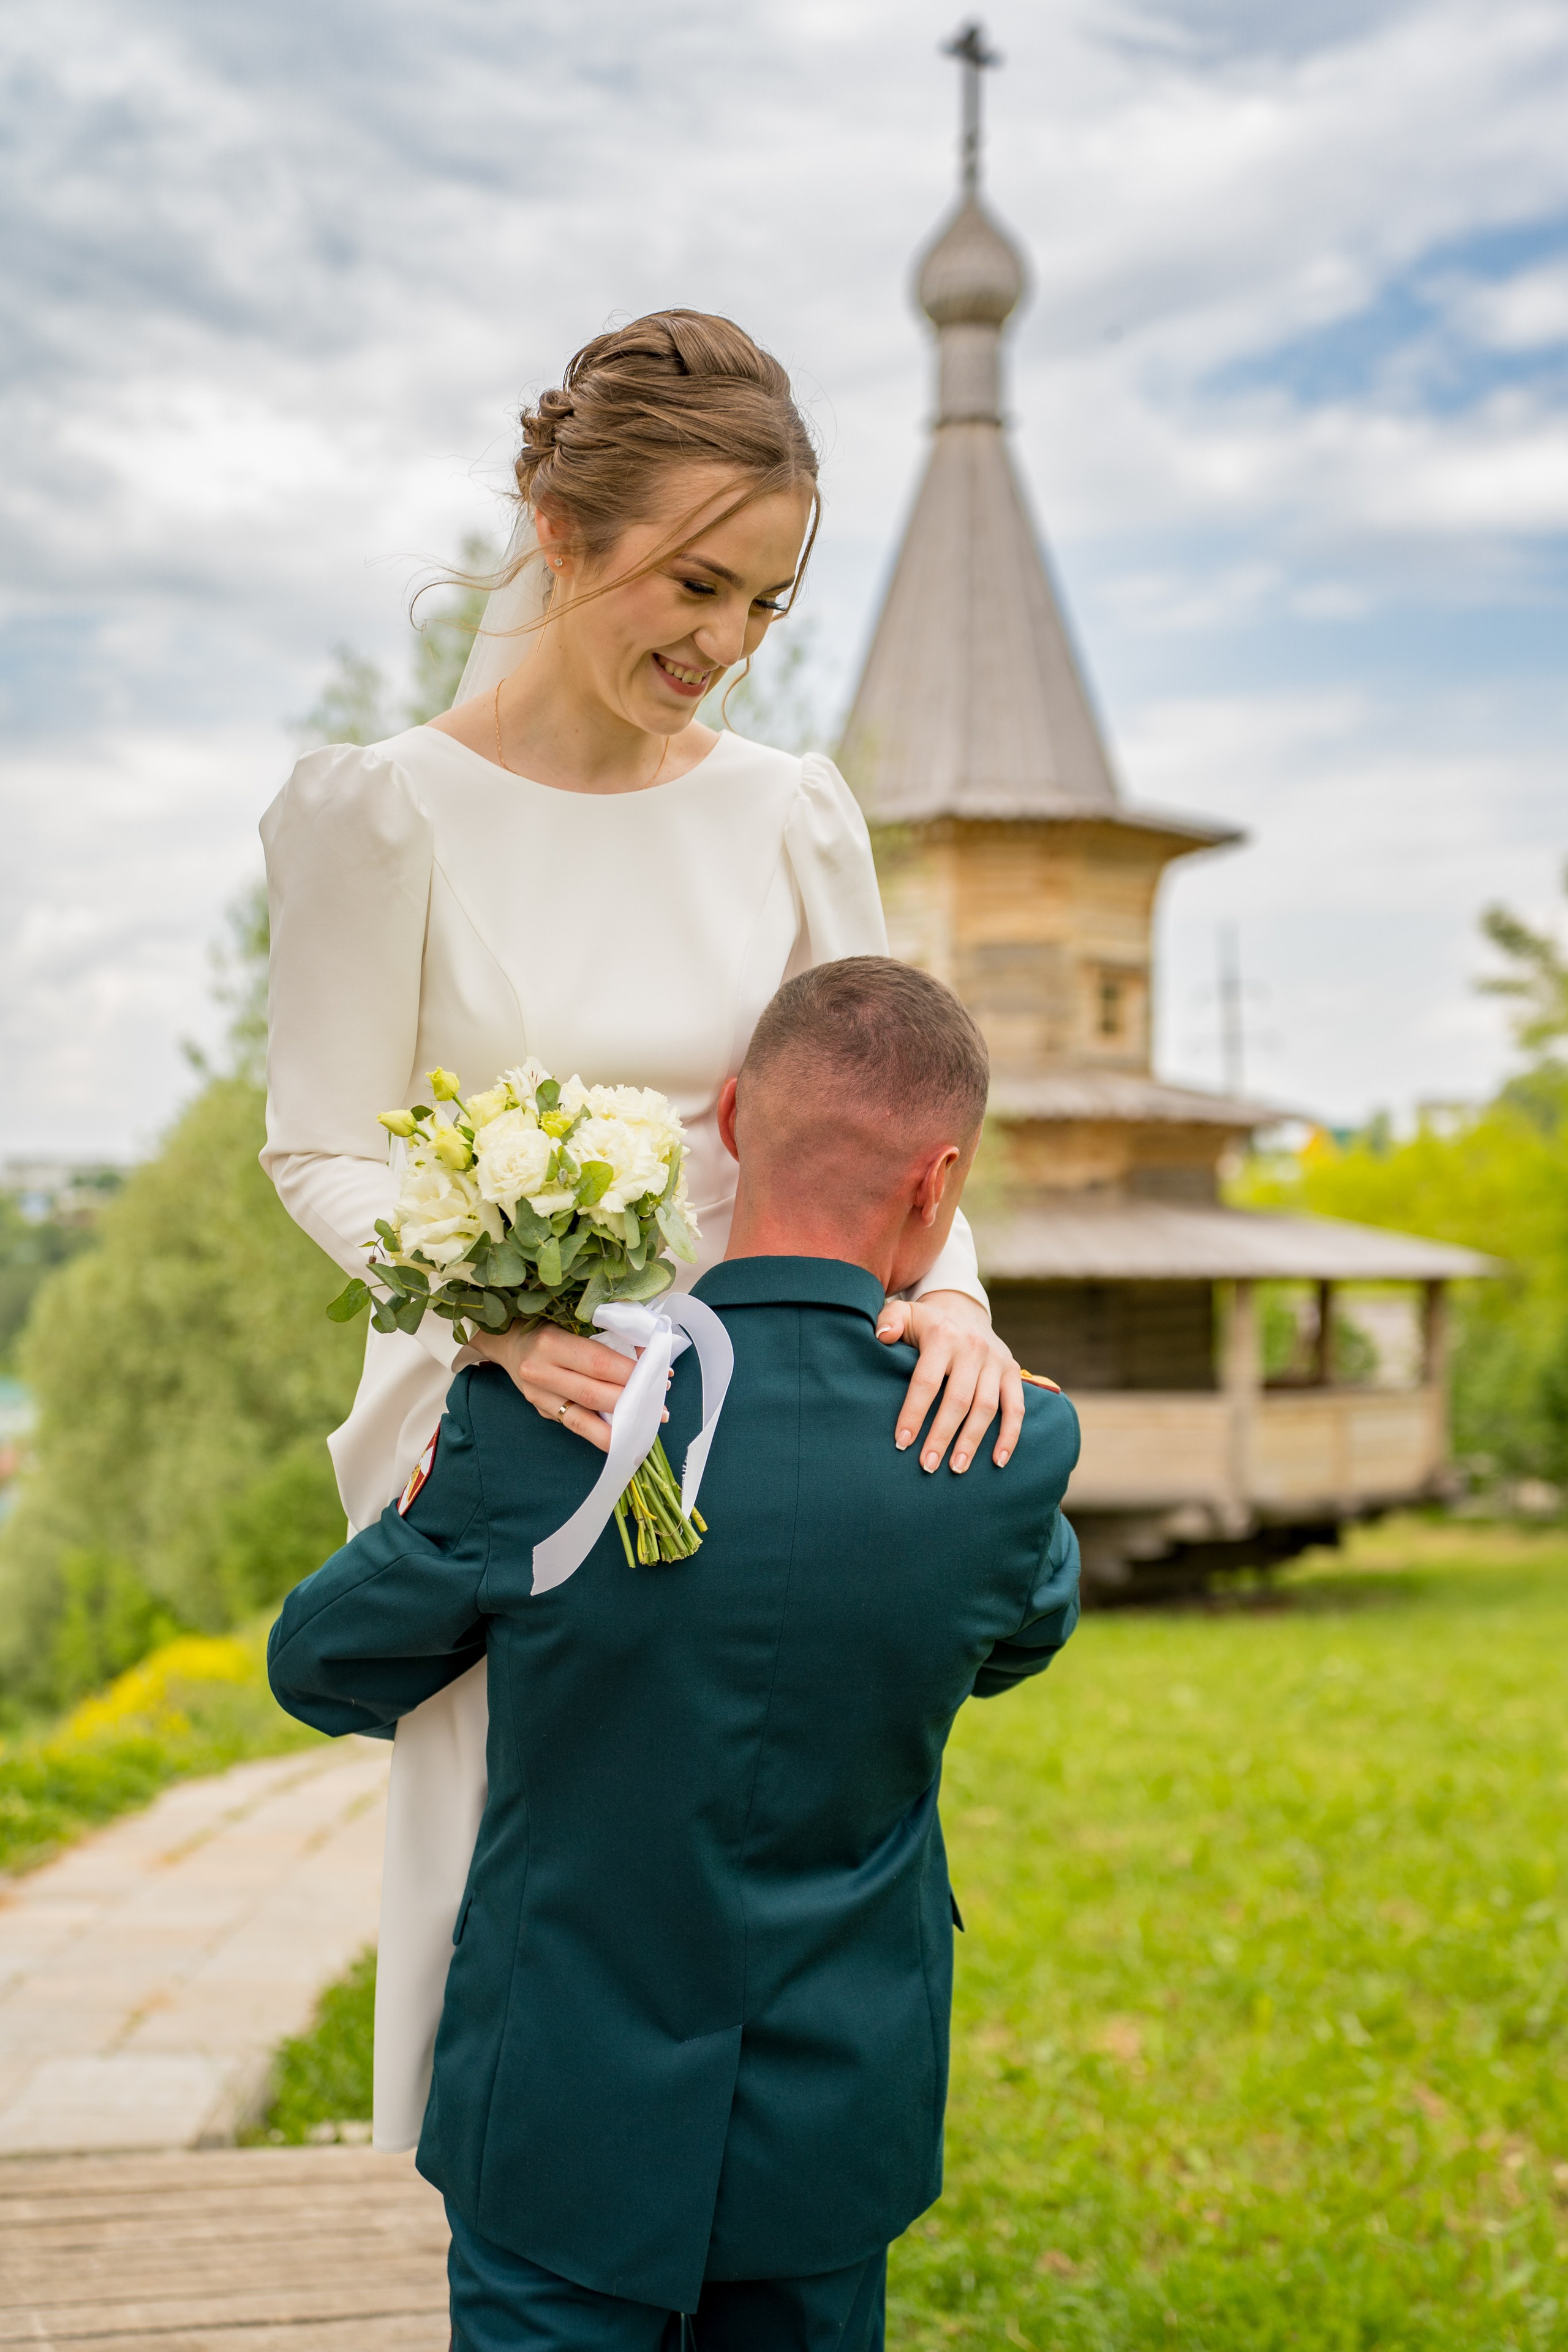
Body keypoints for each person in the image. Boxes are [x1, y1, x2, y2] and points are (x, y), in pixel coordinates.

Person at [259, 310, 1028, 2148]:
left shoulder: (788, 814)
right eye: (697, 584)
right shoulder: (385, 815)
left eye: (766, 605)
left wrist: (964, 1303)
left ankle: (762, 2197)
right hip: (523, 1403)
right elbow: (321, 1146)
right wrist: (488, 1315)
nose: (725, 648)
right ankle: (535, 2228)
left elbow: (884, 1094)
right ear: (557, 522)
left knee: (749, 1832)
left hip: (762, 1402)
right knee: (541, 1882)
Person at [268, 955, 1080, 2352]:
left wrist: (442, 1492)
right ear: (934, 1187)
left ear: (724, 1120)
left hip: (555, 2114)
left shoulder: (540, 1418)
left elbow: (321, 1665)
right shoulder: (1003, 1448)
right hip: (832, 2122)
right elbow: (1018, 1635)